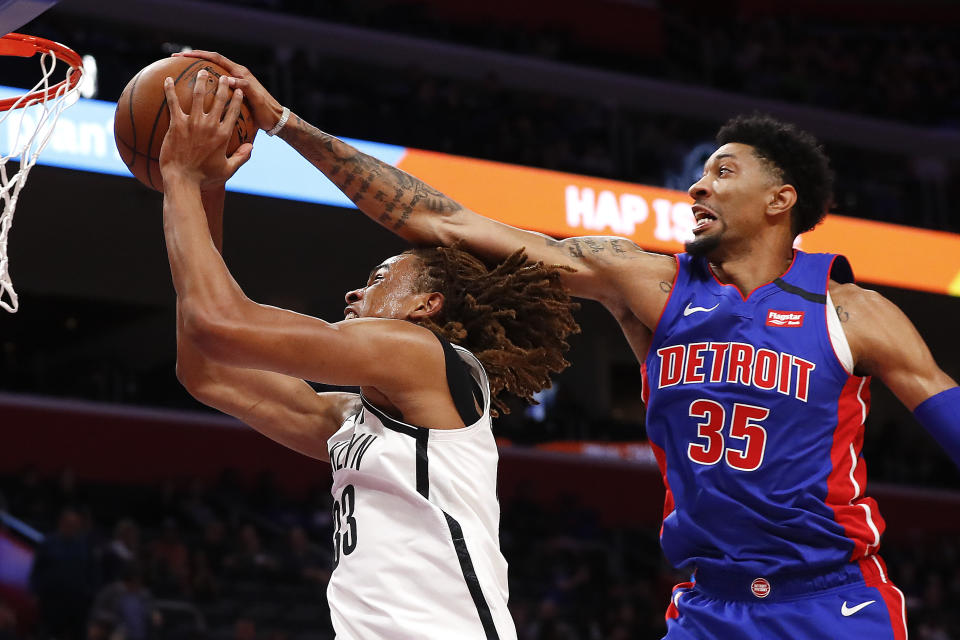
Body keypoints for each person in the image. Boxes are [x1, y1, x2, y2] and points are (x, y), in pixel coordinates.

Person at [177, 51, 959, 639]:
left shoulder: (850, 311)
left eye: (724, 173)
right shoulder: (646, 282)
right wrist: (285, 124)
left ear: (781, 200)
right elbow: (443, 223)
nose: (699, 187)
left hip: (831, 596)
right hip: (707, 602)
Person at [157, 69, 578, 640]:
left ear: (427, 306)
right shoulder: (357, 421)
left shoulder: (423, 355)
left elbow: (219, 322)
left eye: (379, 277)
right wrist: (209, 186)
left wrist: (181, 178)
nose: (355, 293)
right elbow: (205, 368)